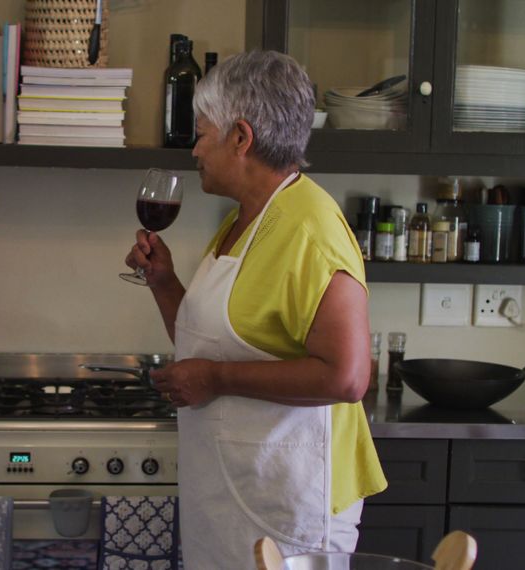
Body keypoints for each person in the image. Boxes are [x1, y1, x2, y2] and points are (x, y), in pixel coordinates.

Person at [124, 50, 387, 569]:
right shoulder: (245, 220)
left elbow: (348, 378)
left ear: (240, 138)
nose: (194, 149)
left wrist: (216, 379)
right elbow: (208, 337)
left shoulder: (310, 229)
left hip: (291, 507)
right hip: (235, 492)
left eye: (202, 133)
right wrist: (163, 282)